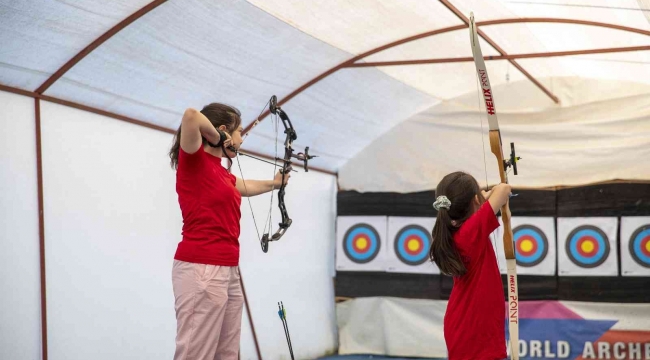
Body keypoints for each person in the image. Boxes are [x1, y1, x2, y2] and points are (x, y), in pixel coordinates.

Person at [168, 103, 289, 360]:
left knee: (227, 353)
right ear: (223, 131)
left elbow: (240, 186)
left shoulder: (221, 172)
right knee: (196, 353)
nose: (241, 139)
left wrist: (275, 183)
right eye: (239, 132)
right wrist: (218, 137)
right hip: (201, 267)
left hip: (228, 268)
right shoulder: (194, 160)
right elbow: (190, 116)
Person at [429, 171, 511, 360]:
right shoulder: (470, 232)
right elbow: (504, 189)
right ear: (476, 200)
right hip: (475, 329)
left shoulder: (458, 232)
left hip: (466, 326)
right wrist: (487, 196)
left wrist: (480, 197)